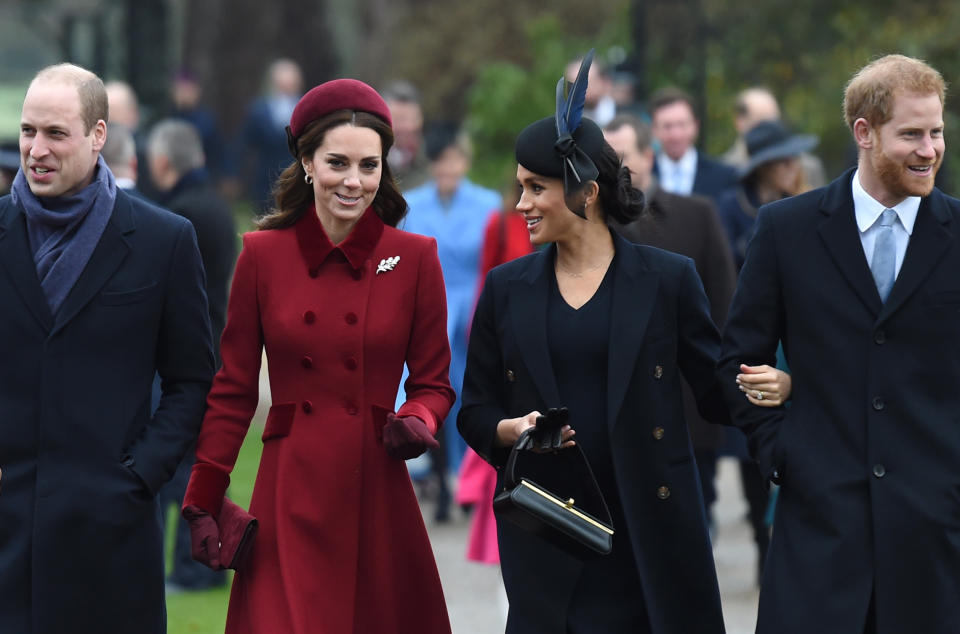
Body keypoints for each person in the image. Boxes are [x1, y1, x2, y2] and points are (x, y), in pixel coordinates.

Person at [458, 53, 730, 633]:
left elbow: (717, 390)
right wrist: (510, 432)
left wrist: (776, 388)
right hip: (552, 530)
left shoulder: (668, 279)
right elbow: (475, 411)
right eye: (519, 188)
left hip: (651, 532)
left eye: (536, 188)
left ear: (587, 190)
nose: (521, 204)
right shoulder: (507, 289)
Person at [182, 78, 455, 634]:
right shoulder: (261, 255)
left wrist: (418, 418)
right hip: (289, 494)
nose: (354, 182)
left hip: (376, 489)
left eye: (369, 166)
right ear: (307, 161)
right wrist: (202, 499)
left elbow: (434, 383)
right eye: (337, 162)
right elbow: (233, 389)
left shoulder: (415, 257)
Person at [719, 54, 960, 633]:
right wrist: (784, 453)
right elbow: (736, 361)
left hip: (935, 544)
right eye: (911, 134)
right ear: (864, 133)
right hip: (817, 538)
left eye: (937, 132)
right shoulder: (785, 229)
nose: (929, 149)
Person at [0, 63, 213, 633]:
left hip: (111, 539)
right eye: (27, 132)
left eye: (55, 134)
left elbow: (193, 380)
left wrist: (139, 475)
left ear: (98, 136)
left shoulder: (164, 240)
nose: (36, 150)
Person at [147, 118, 237, 592]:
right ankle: (204, 563)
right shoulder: (216, 207)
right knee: (201, 466)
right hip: (214, 348)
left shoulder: (180, 215)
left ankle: (189, 569)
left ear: (162, 163)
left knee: (181, 471)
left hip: (189, 356)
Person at [401, 123, 500, 520]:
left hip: (475, 309)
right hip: (428, 308)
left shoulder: (489, 202)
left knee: (468, 393)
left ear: (465, 160)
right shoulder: (410, 204)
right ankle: (433, 476)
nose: (447, 169)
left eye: (454, 160)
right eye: (440, 162)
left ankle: (468, 478)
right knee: (426, 388)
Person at [716, 119, 818, 269]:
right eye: (783, 160)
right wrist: (767, 219)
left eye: (794, 158)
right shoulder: (732, 204)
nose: (792, 166)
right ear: (763, 167)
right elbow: (727, 260)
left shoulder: (802, 202)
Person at [721, 86, 827, 190]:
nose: (771, 129)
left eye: (774, 121)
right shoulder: (725, 169)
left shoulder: (808, 166)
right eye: (762, 122)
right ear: (739, 121)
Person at [238, 58, 304, 212]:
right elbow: (245, 141)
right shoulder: (259, 109)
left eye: (290, 82)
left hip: (297, 177)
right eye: (282, 82)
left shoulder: (305, 108)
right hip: (265, 178)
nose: (286, 87)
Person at [649, 86, 737, 200]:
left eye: (682, 124)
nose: (676, 135)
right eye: (667, 126)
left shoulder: (724, 176)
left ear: (696, 125)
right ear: (653, 129)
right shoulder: (643, 176)